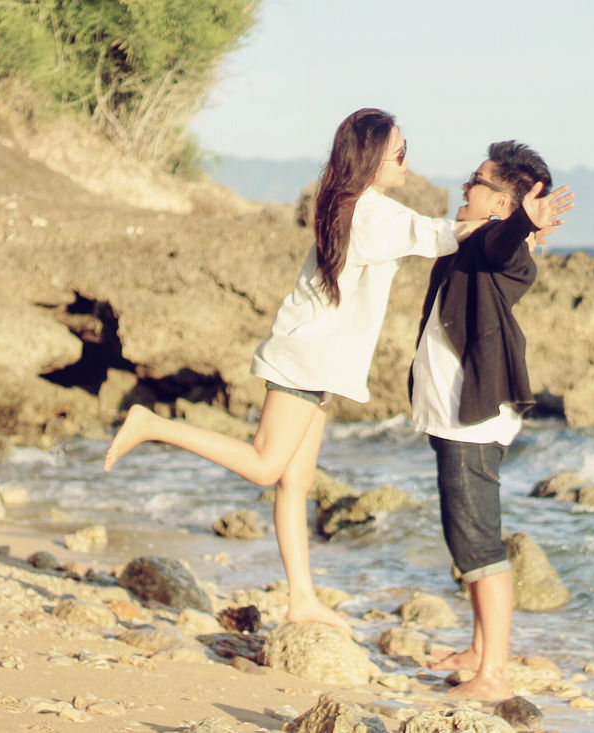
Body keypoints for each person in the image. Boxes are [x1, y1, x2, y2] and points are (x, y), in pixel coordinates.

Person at [102, 108, 500, 631]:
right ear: (374, 157)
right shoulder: (369, 213)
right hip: (306, 358)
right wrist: (516, 223)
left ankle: (302, 599)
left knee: (297, 480)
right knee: (268, 467)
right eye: (400, 150)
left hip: (317, 359)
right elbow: (443, 234)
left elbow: (433, 232)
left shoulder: (353, 204)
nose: (408, 159)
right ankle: (151, 425)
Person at [410, 141, 571, 700]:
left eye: (475, 181)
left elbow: (506, 246)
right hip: (455, 416)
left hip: (472, 421)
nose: (463, 187)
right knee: (467, 539)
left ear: (502, 203)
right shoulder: (468, 243)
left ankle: (494, 676)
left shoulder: (501, 250)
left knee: (478, 546)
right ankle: (479, 650)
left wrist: (522, 223)